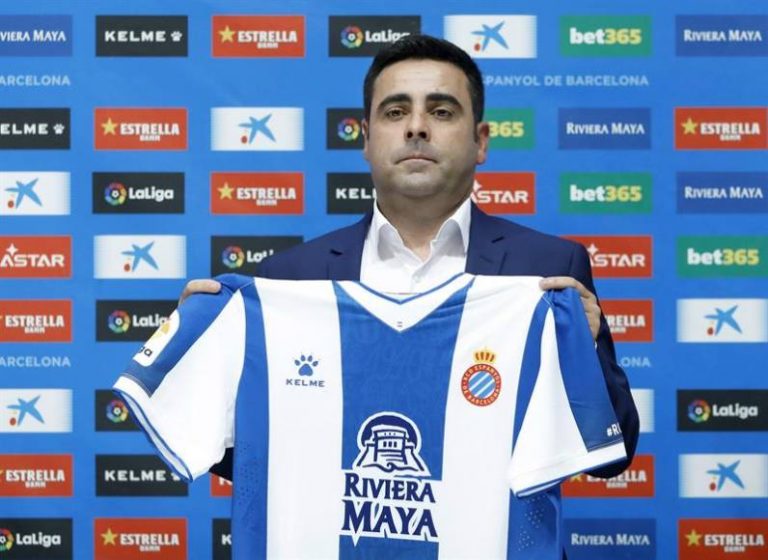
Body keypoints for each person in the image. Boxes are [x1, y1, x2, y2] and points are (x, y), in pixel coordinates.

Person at [180, 34, 639, 557]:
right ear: (366, 139)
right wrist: (205, 366)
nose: (417, 127)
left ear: (481, 141)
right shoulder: (290, 281)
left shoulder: (546, 271)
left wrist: (585, 355)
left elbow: (613, 453)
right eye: (396, 111)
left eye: (441, 111)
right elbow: (250, 459)